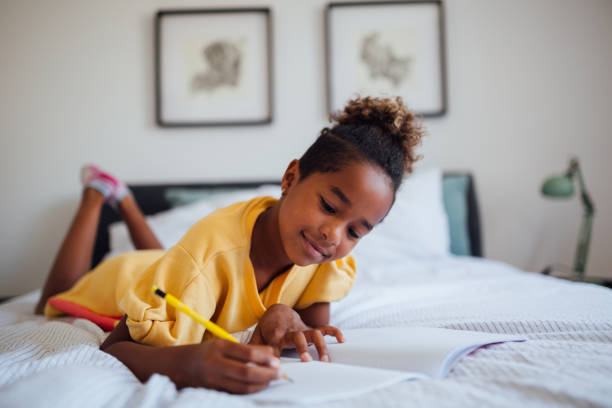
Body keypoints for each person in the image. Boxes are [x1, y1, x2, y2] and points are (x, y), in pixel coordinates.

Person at [35, 96, 424, 394]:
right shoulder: (203, 257)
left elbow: (309, 329)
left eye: (356, 231)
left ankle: (128, 202)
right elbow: (113, 349)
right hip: (126, 279)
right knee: (48, 302)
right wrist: (189, 363)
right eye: (328, 206)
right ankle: (96, 193)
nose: (334, 236)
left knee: (165, 259)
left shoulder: (327, 259)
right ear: (290, 177)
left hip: (170, 270)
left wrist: (283, 314)